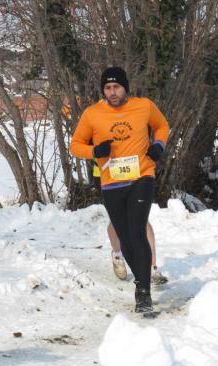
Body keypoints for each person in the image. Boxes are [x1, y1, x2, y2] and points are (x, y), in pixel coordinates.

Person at [71, 67, 169, 313]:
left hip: (142, 176)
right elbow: (76, 145)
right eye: (107, 88)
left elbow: (162, 126)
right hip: (112, 181)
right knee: (125, 238)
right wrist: (94, 151)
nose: (112, 92)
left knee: (137, 231)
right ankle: (141, 279)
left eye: (116, 87)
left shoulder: (144, 106)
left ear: (125, 87)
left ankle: (143, 293)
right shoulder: (92, 114)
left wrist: (158, 146)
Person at [93, 161, 167, 284]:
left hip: (133, 169)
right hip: (106, 173)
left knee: (143, 220)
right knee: (118, 220)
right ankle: (117, 254)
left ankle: (152, 267)